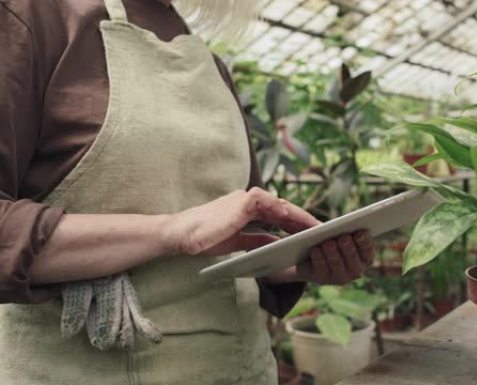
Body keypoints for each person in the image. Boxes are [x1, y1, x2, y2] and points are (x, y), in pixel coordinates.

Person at [0, 0, 376, 384]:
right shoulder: (36, 16)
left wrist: (300, 264)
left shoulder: (212, 67)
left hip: (244, 368)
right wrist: (173, 232)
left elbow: (236, 243)